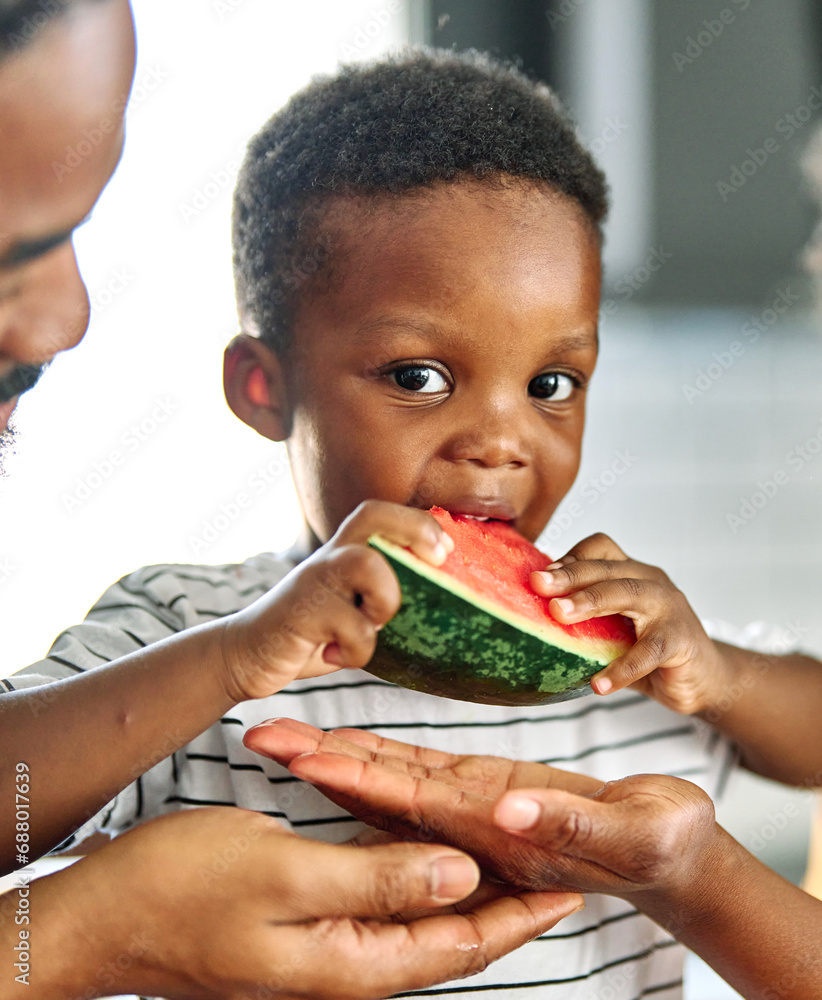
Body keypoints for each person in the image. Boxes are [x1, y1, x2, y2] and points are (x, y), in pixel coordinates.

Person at [6, 46, 775, 999]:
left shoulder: (623, 645)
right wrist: (230, 658)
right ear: (264, 388)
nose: (502, 441)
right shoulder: (184, 627)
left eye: (551, 385)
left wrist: (721, 674)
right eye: (419, 378)